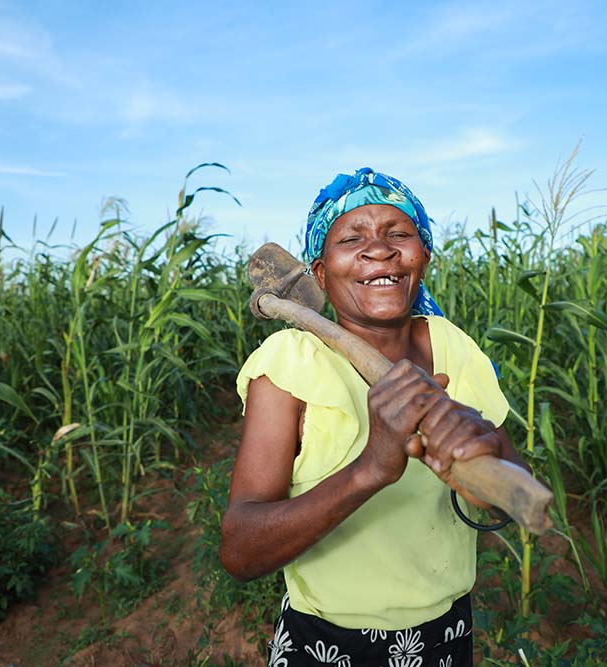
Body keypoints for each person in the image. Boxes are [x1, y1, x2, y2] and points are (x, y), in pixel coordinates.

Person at [221, 167, 528, 666]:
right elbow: (240, 551)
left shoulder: (451, 347)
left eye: (398, 234)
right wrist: (372, 468)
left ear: (423, 255)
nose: (379, 249)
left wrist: (480, 450)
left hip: (445, 637)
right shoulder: (290, 363)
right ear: (319, 273)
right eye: (352, 238)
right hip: (325, 644)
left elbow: (515, 497)